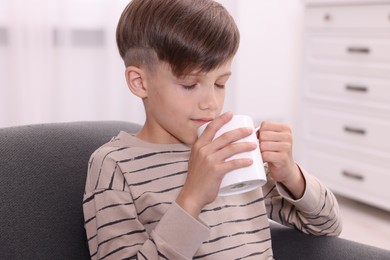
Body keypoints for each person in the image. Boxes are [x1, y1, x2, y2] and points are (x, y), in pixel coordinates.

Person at [83, 0, 342, 259]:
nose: (211, 103)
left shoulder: (233, 152)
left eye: (220, 83)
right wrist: (192, 198)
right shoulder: (115, 166)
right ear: (140, 82)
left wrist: (290, 174)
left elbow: (327, 225)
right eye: (189, 84)